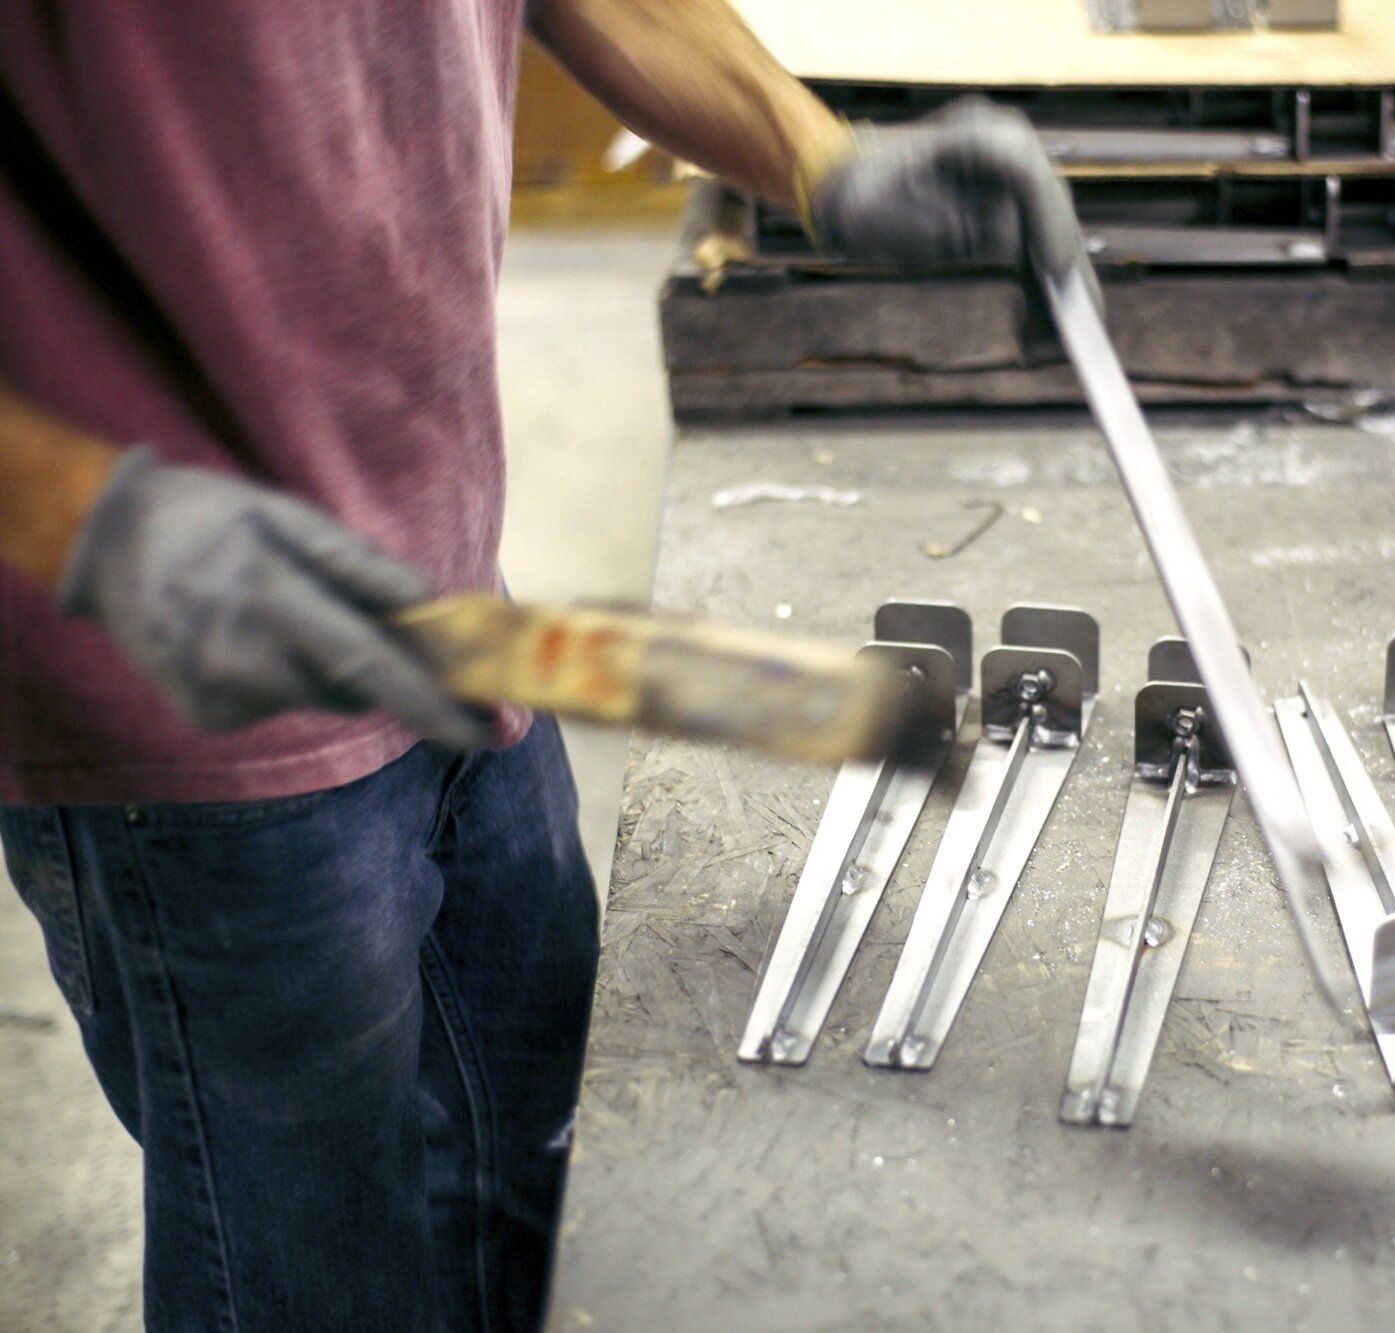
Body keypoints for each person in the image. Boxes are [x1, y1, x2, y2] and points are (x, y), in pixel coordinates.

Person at [0, 3, 1090, 1329]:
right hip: (194, 701)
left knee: (538, 1182)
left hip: (440, 588)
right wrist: (86, 517)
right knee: (316, 1277)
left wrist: (816, 151)